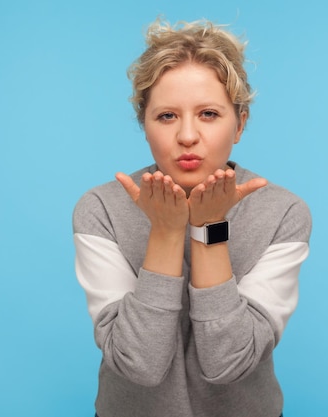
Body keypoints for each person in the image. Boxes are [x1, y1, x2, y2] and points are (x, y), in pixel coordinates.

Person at [72, 18, 312, 417]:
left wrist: (207, 228)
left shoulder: (284, 213)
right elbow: (139, 364)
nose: (187, 136)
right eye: (167, 116)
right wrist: (166, 231)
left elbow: (228, 363)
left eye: (208, 114)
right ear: (144, 124)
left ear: (240, 123)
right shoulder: (100, 210)